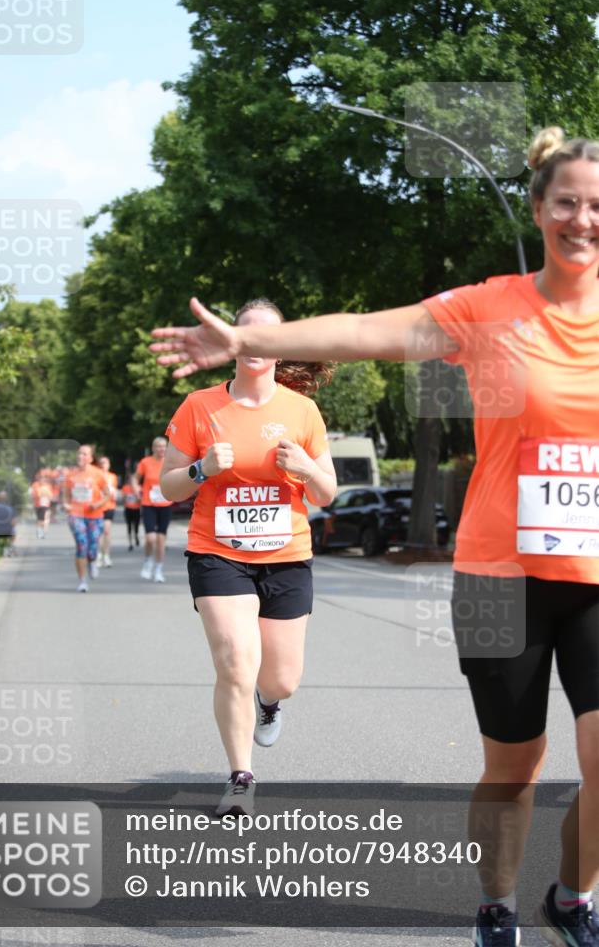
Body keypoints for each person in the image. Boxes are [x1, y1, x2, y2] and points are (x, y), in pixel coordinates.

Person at [151, 129, 599, 944]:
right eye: (565, 200)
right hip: (501, 576)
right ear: (537, 209)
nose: (582, 218)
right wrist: (251, 340)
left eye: (596, 204)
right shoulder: (487, 307)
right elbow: (361, 331)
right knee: (513, 768)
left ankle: (571, 898)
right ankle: (496, 906)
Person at [159, 298, 337, 817]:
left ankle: (270, 702)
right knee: (236, 662)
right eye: (247, 335)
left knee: (280, 677)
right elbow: (169, 486)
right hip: (218, 553)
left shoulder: (302, 410)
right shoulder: (199, 406)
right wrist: (201, 470)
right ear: (232, 342)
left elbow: (327, 493)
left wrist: (305, 466)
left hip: (286, 555)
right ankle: (240, 777)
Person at [63, 444, 111, 592]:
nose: (80, 457)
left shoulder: (98, 474)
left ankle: (92, 561)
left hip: (95, 516)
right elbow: (65, 497)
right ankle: (82, 581)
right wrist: (66, 505)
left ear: (90, 458)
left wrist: (97, 505)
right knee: (81, 545)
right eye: (79, 454)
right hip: (76, 515)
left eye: (84, 454)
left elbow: (107, 495)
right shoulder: (70, 475)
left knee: (92, 547)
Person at [135, 437, 174, 582]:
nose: (161, 449)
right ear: (153, 448)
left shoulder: (170, 463)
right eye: (158, 446)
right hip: (148, 503)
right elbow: (135, 478)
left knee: (161, 539)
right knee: (150, 538)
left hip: (165, 504)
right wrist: (135, 489)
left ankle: (158, 569)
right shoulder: (145, 462)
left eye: (164, 446)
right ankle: (148, 561)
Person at [96, 456, 118, 568]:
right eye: (101, 463)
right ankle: (99, 555)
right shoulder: (95, 476)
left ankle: (106, 555)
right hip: (97, 507)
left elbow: (114, 491)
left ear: (109, 465)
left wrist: (113, 493)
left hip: (109, 505)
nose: (103, 465)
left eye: (105, 463)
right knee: (99, 532)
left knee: (107, 531)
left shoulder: (113, 477)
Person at [121, 469, 142, 551]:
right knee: (129, 526)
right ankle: (130, 543)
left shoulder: (139, 488)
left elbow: (141, 499)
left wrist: (138, 498)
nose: (132, 481)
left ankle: (136, 535)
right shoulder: (125, 488)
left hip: (136, 509)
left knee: (136, 526)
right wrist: (125, 498)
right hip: (128, 509)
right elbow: (123, 500)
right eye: (130, 479)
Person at [30, 472, 52, 539]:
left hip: (45, 504)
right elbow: (34, 494)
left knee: (43, 519)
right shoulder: (35, 485)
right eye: (41, 478)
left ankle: (41, 532)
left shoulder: (47, 485)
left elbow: (50, 495)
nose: (42, 480)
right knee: (39, 519)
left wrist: (46, 495)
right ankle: (40, 531)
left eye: (44, 478)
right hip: (38, 504)